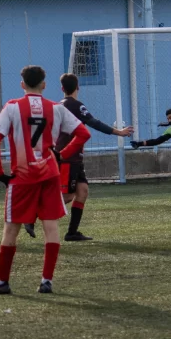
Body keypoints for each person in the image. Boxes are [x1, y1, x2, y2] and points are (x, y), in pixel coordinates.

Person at [0, 65, 91, 295]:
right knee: (51, 227)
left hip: (22, 176)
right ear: (44, 84)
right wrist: (61, 154)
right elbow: (84, 134)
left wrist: (0, 173)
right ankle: (46, 281)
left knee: (11, 229)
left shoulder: (12, 107)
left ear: (22, 84)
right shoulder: (56, 107)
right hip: (49, 174)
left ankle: (3, 283)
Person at [24, 73, 133, 242]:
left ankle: (72, 233)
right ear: (78, 87)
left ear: (62, 88)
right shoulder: (75, 105)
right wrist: (119, 132)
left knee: (82, 191)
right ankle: (31, 216)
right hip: (68, 156)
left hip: (72, 156)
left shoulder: (58, 105)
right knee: (68, 195)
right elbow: (93, 122)